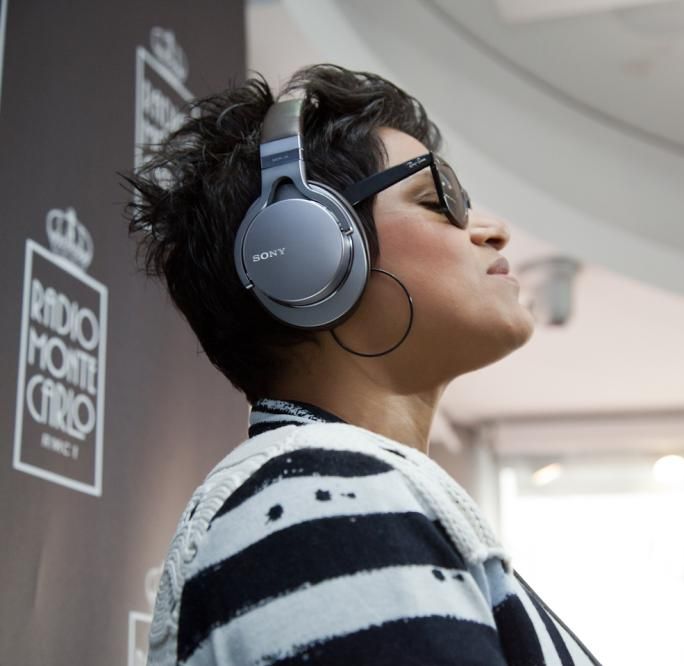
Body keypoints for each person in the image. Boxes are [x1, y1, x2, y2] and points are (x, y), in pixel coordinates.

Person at [126, 64, 601, 665]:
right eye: (437, 201)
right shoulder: (316, 495)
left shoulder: (336, 494)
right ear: (303, 251)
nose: (494, 230)